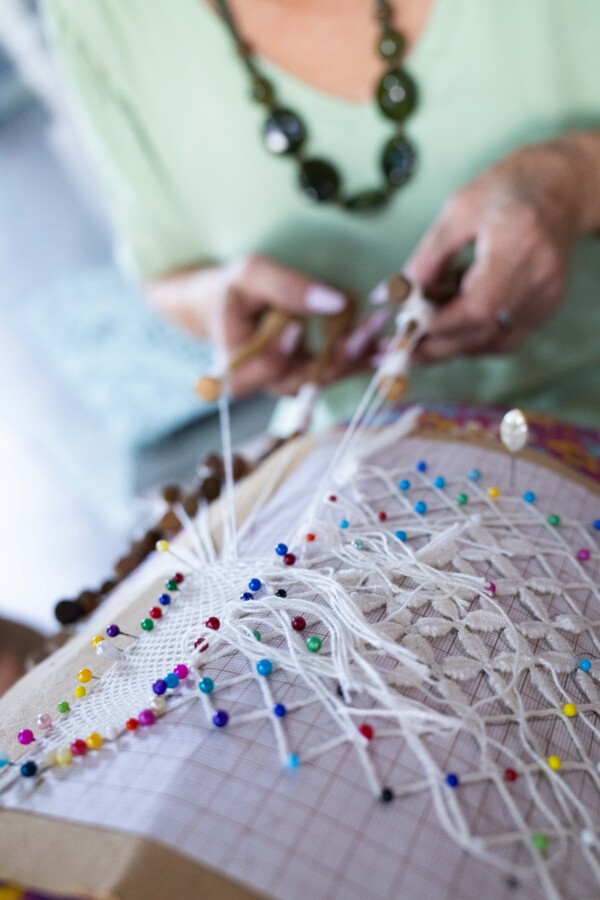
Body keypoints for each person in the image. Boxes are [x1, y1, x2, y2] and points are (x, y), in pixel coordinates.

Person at [41, 0, 600, 429]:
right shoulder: (99, 15)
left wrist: (573, 182)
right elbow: (167, 271)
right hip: (356, 455)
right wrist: (224, 304)